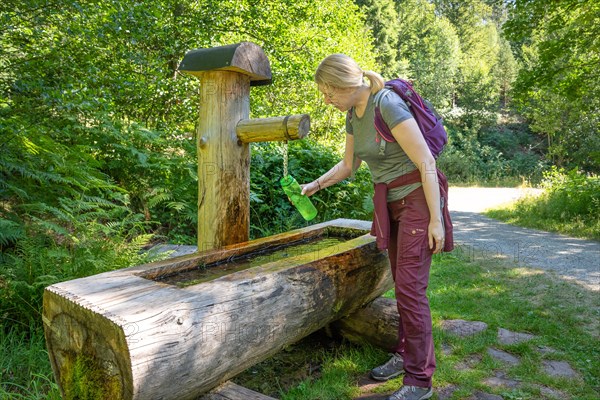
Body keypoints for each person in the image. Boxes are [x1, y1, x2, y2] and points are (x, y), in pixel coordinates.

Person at [301, 54, 447, 400]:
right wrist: (315, 185)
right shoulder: (354, 115)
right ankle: (404, 355)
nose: (326, 99)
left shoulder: (388, 104)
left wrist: (436, 219)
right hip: (389, 202)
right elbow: (348, 165)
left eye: (329, 92)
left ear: (347, 84)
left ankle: (420, 381)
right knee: (402, 283)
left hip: (416, 199)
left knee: (411, 289)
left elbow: (426, 160)